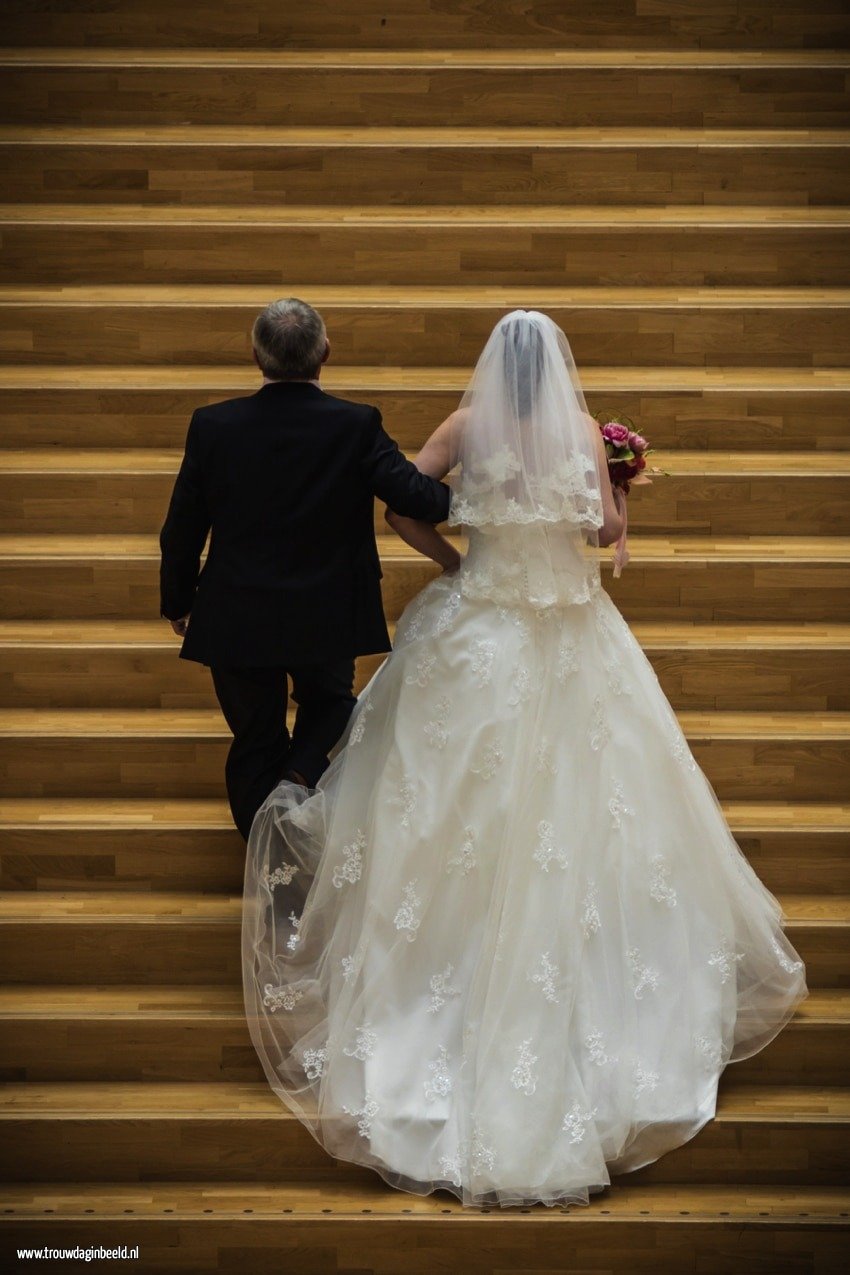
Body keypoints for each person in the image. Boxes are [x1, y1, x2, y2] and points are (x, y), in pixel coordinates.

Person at [241, 310, 807, 1208]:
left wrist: (455, 560)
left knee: (445, 810)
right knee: (598, 813)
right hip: (572, 634)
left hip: (479, 625)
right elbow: (602, 530)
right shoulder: (585, 433)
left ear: (494, 364)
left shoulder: (466, 428)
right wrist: (625, 485)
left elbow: (400, 507)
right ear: (560, 368)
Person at [159, 297, 452, 839]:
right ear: (325, 353)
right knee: (331, 705)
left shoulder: (213, 425)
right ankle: (294, 782)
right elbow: (413, 495)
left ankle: (264, 852)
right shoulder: (356, 424)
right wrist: (491, 498)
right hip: (328, 609)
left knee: (253, 737)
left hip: (237, 611)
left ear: (256, 355)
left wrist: (178, 601)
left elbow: (182, 527)